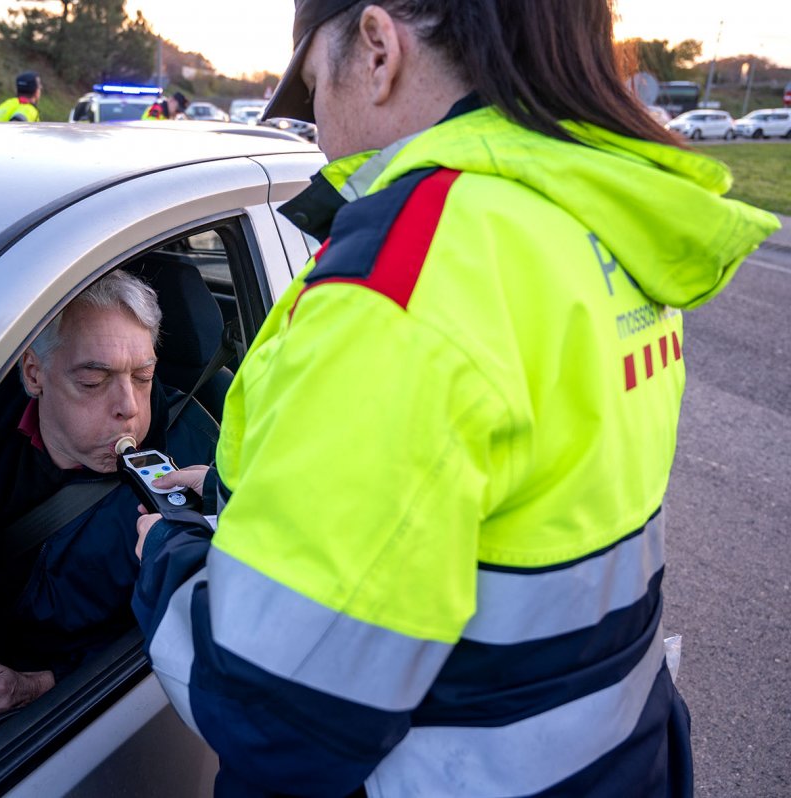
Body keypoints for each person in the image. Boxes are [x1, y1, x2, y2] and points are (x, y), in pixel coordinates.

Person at [130, 1, 781, 797]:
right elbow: (498, 493)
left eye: (311, 90)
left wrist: (161, 554)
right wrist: (233, 490)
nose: (320, 136)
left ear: (376, 49)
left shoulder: (407, 283)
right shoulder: (593, 222)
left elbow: (277, 711)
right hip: (612, 756)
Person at [0, 270, 217, 733]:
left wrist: (41, 685)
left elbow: (184, 633)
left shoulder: (192, 474)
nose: (129, 405)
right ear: (34, 373)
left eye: (144, 376)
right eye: (94, 380)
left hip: (57, 717)